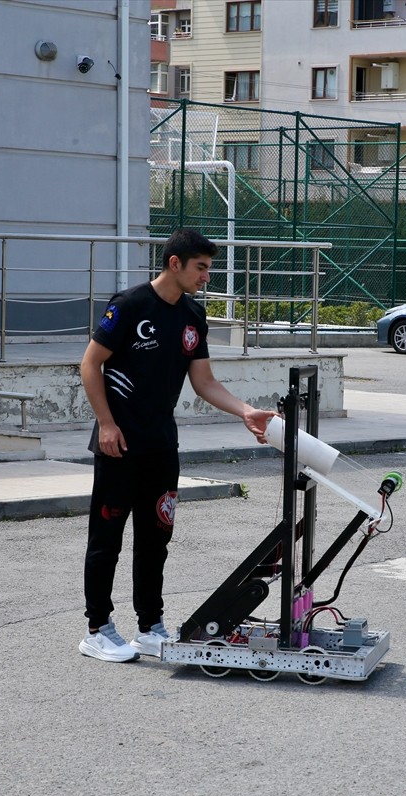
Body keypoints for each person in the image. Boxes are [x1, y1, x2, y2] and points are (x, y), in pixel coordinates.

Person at [78, 229, 276, 663]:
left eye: (209, 268)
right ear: (175, 264)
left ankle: (150, 626)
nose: (207, 276)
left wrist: (245, 411)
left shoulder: (192, 316)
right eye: (201, 268)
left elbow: (203, 381)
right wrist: (106, 424)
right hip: (119, 444)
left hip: (161, 446)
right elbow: (90, 364)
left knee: (156, 539)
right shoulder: (129, 306)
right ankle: (98, 628)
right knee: (106, 539)